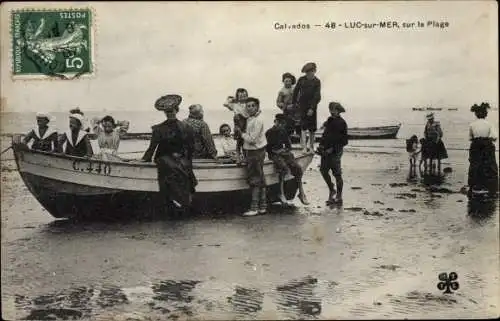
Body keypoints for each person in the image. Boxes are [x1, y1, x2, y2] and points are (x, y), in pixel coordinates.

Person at [141, 94, 197, 211]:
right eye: (167, 112)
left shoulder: (186, 127)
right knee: (170, 167)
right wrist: (144, 159)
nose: (169, 114)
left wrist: (186, 158)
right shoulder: (159, 129)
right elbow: (152, 147)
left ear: (176, 111)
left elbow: (191, 148)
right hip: (164, 158)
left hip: (181, 158)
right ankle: (175, 200)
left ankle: (181, 201)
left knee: (183, 168)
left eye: (171, 111)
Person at [265, 113, 309, 205]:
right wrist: (277, 151)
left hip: (283, 153)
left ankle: (301, 192)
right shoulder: (269, 132)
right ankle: (281, 193)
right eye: (278, 122)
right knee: (283, 168)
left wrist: (284, 150)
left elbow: (289, 146)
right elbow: (267, 148)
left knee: (298, 169)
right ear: (275, 122)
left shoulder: (283, 131)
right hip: (274, 154)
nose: (280, 125)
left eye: (282, 123)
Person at [241, 97, 267, 216]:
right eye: (248, 106)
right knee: (260, 178)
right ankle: (262, 206)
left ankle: (254, 207)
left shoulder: (258, 120)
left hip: (255, 151)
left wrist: (241, 134)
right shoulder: (250, 119)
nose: (250, 108)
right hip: (254, 151)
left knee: (255, 179)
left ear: (257, 107)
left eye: (252, 106)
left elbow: (252, 139)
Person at [317, 102, 348, 205]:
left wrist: (333, 149)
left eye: (333, 109)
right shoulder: (329, 121)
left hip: (336, 151)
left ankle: (339, 196)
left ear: (338, 111)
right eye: (330, 109)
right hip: (325, 151)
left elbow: (344, 141)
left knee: (337, 174)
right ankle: (332, 189)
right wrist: (321, 146)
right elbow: (325, 135)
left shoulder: (342, 123)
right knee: (323, 171)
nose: (331, 111)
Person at [467, 102, 498, 197]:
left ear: (476, 114)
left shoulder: (472, 125)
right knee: (489, 165)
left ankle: (475, 186)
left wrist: (477, 139)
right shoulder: (489, 124)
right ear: (485, 114)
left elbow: (470, 138)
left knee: (475, 165)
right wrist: (487, 139)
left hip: (475, 145)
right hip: (487, 145)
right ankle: (490, 187)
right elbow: (494, 137)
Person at [292, 62, 321, 151]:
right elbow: (296, 91)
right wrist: (295, 103)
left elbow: (317, 96)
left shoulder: (317, 81)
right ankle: (304, 147)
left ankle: (311, 146)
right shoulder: (301, 80)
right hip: (302, 106)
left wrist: (312, 108)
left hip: (312, 106)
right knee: (303, 127)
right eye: (307, 72)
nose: (309, 73)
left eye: (311, 71)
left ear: (315, 71)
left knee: (312, 128)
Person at [223, 88, 249, 163]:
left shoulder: (248, 105)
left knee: (245, 143)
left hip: (246, 125)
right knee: (238, 143)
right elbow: (225, 104)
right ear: (237, 97)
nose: (243, 98)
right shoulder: (235, 105)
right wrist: (232, 99)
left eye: (244, 96)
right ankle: (238, 158)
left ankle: (245, 157)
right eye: (241, 96)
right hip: (238, 125)